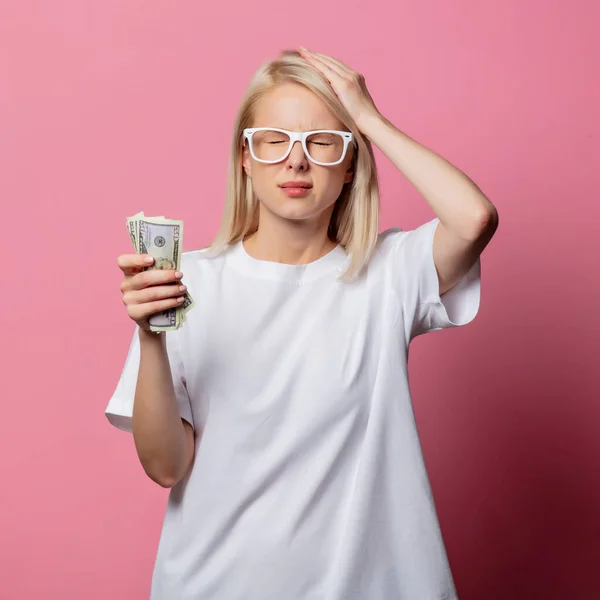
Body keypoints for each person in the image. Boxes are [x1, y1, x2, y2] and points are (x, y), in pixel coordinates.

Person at [106, 47, 498, 600]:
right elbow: (166, 466)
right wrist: (151, 338)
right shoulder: (185, 281)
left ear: (350, 164)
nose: (296, 161)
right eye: (274, 141)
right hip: (215, 584)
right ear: (245, 158)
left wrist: (369, 120)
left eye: (321, 142)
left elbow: (474, 217)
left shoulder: (387, 274)